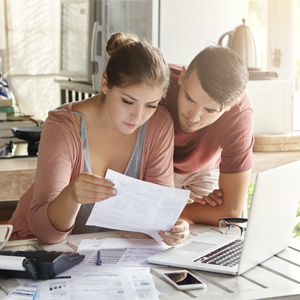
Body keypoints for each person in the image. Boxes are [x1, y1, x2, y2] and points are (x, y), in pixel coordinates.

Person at [9, 32, 189, 246]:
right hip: (33, 250)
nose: (138, 116)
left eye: (150, 105)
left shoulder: (159, 124)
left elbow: (154, 218)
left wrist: (172, 228)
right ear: (105, 83)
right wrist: (71, 196)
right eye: (128, 101)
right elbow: (45, 235)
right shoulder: (62, 126)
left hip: (101, 255)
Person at [163, 44, 254, 225]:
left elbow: (231, 212)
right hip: (152, 168)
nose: (193, 117)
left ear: (230, 106)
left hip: (202, 172)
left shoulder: (239, 114)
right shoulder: (158, 82)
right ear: (182, 76)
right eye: (189, 98)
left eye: (210, 110)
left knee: (208, 237)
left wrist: (167, 209)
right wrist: (174, 208)